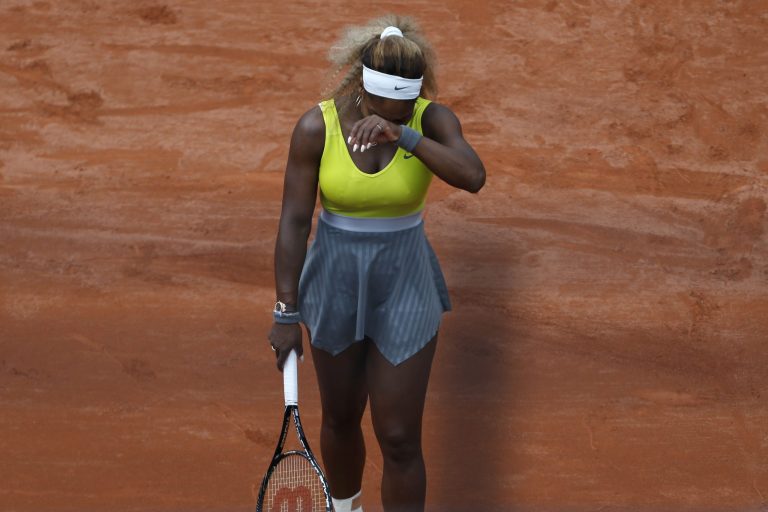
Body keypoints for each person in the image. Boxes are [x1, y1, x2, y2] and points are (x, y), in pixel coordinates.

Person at [268, 14, 485, 512]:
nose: (404, 113)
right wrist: (285, 310)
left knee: (399, 434)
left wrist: (404, 134)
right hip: (333, 284)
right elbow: (295, 222)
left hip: (404, 286)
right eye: (392, 107)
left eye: (410, 104)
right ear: (363, 92)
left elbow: (473, 176)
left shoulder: (429, 120)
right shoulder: (315, 127)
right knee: (342, 418)